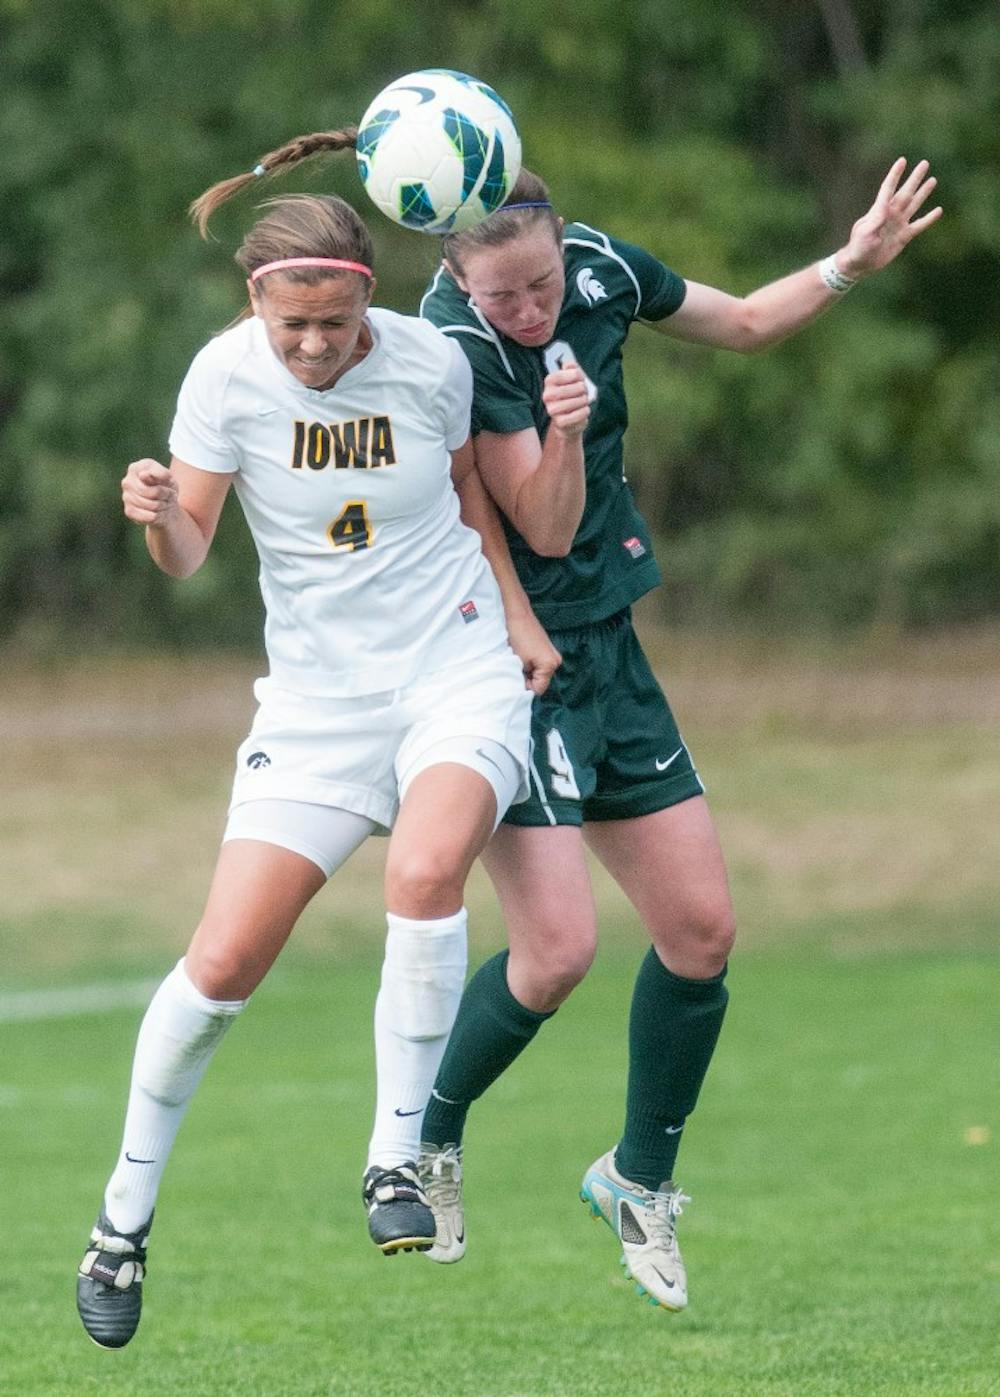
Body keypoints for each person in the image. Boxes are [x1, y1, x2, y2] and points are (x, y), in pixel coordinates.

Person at [411, 157, 942, 1310]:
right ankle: (424, 1139)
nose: (530, 309)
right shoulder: (448, 346)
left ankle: (637, 1178)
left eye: (540, 283)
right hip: (509, 660)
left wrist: (848, 261)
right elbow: (542, 529)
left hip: (610, 648)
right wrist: (563, 422)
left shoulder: (599, 266)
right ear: (454, 272)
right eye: (504, 294)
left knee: (702, 931)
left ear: (562, 246)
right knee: (554, 953)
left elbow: (744, 321)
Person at [74, 159, 576, 1348]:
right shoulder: (224, 379)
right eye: (290, 324)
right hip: (314, 704)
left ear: (368, 301)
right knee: (221, 961)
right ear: (255, 307)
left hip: (453, 671)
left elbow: (464, 496)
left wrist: (511, 618)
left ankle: (395, 1158)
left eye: (333, 323)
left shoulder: (428, 360)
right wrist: (159, 515)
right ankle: (120, 1221)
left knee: (425, 873)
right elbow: (192, 548)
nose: (312, 347)